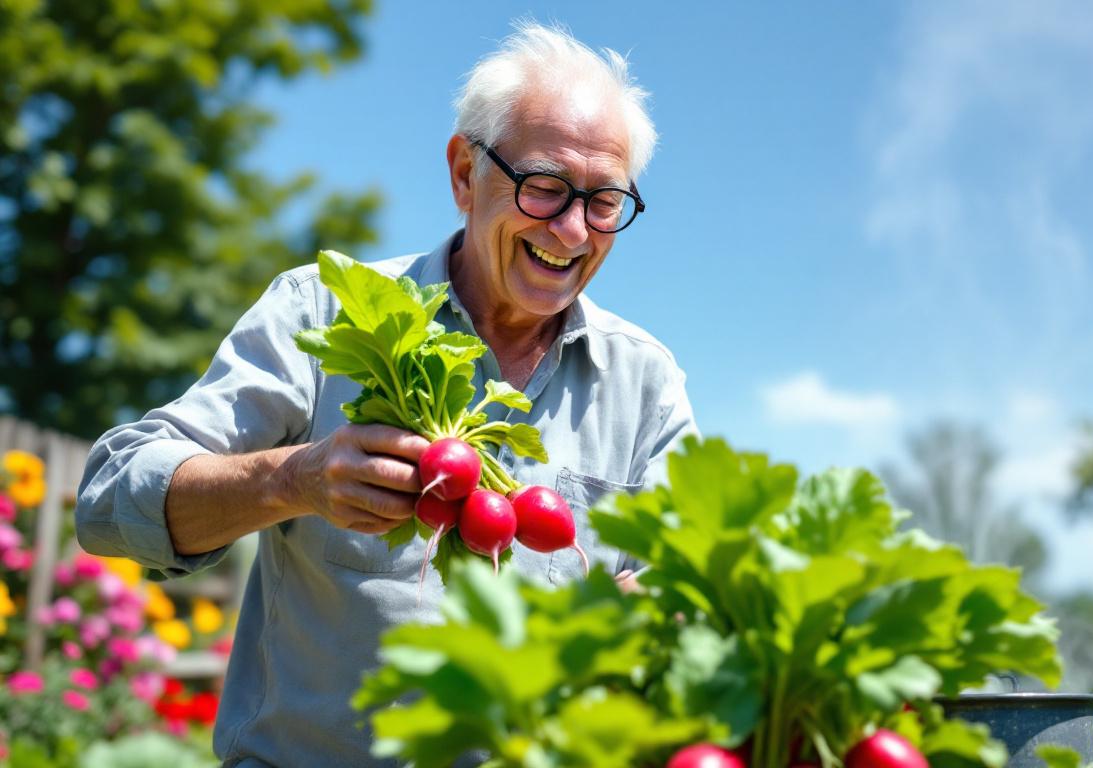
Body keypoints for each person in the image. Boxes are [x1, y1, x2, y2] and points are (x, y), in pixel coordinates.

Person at [75, 23, 695, 768]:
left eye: (604, 203)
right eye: (545, 187)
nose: (571, 230)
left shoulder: (645, 384)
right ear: (466, 173)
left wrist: (656, 611)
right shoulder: (322, 309)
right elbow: (109, 501)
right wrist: (291, 478)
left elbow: (680, 587)